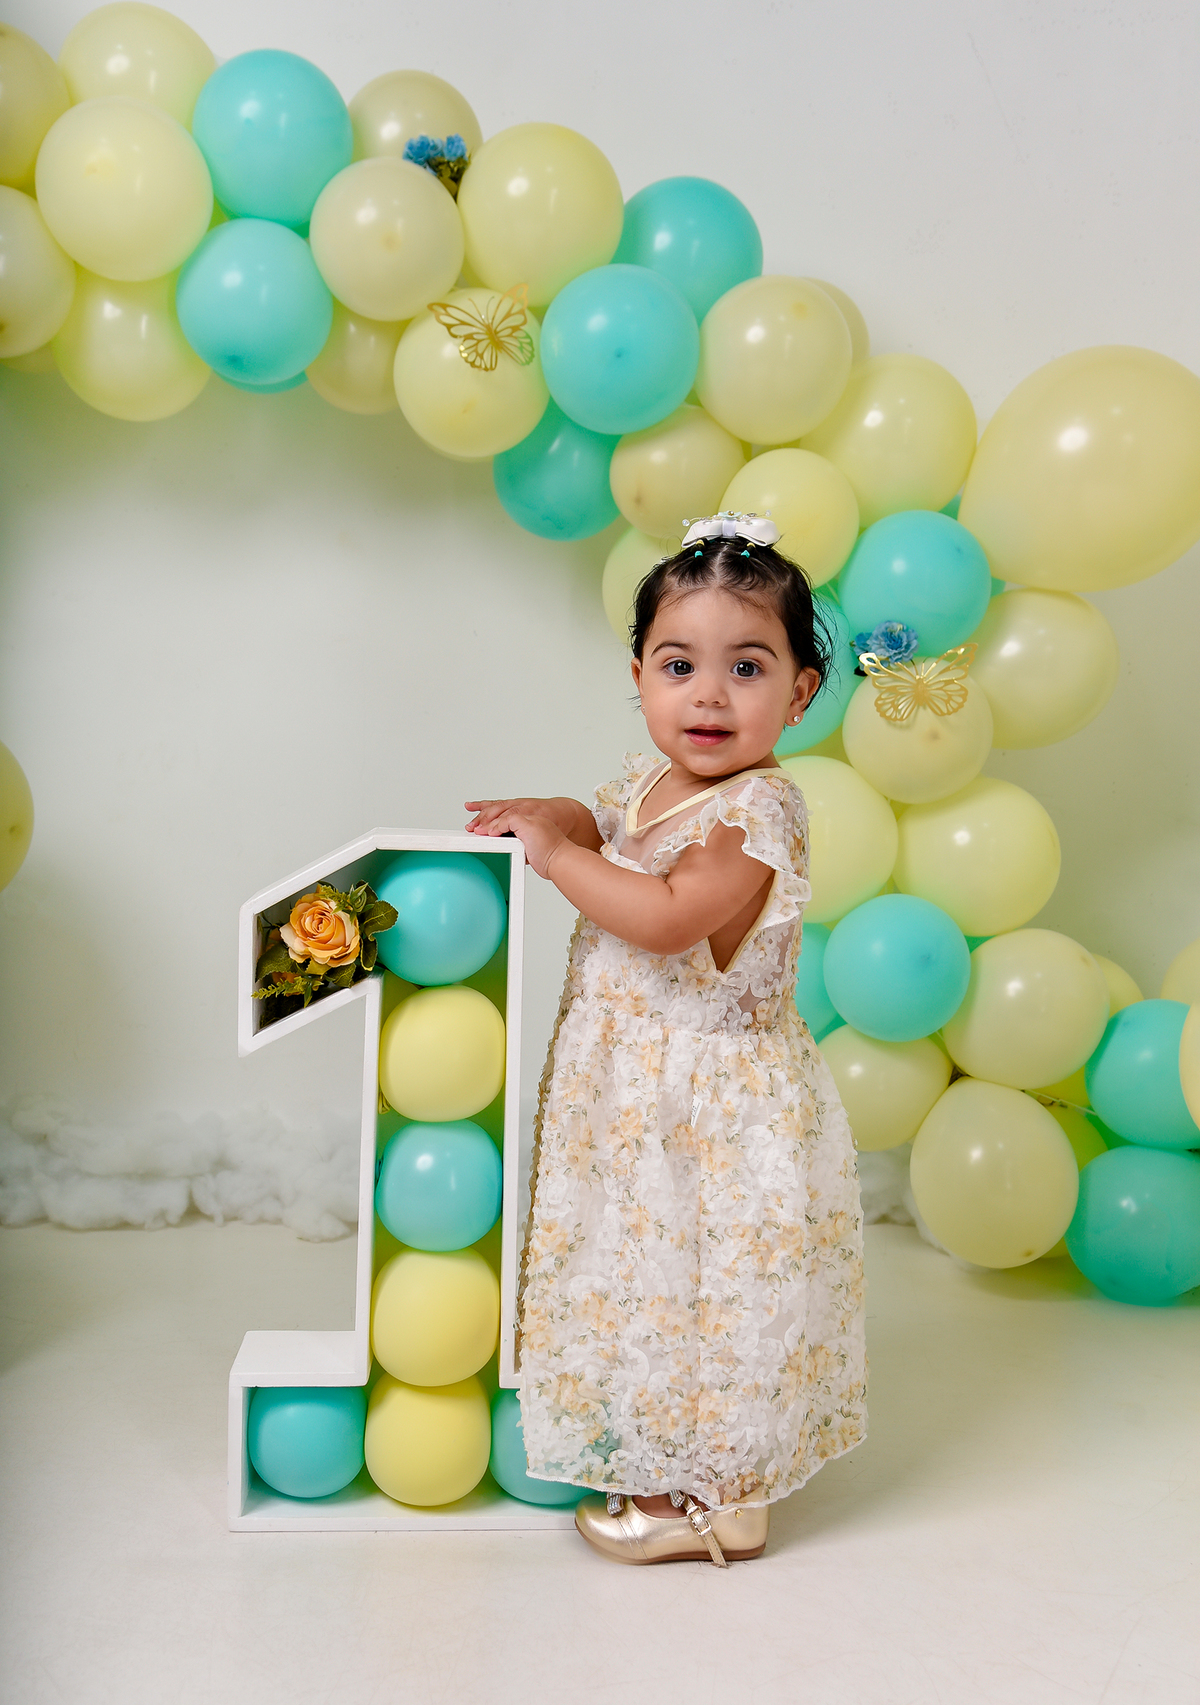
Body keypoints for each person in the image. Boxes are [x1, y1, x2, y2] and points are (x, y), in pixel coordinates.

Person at [466, 512, 866, 1567]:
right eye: (679, 664)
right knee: (645, 1277)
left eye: (748, 667)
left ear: (801, 693)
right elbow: (603, 822)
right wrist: (554, 814)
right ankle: (654, 1446)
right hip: (636, 1096)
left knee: (714, 1289)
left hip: (715, 1106)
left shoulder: (756, 812)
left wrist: (556, 858)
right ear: (639, 673)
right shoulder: (650, 786)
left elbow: (666, 916)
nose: (709, 696)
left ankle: (724, 1498)